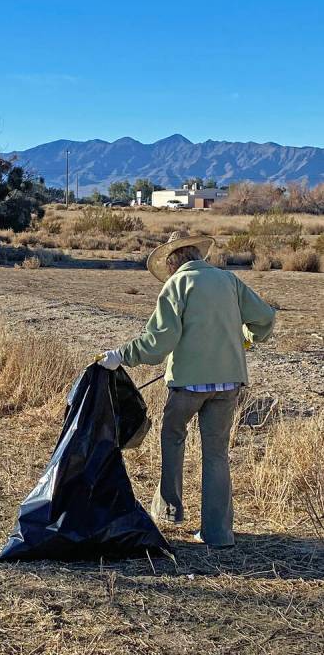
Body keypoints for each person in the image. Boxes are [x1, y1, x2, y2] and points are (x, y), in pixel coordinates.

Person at [98, 230, 275, 548]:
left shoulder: (177, 285)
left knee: (172, 436)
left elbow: (158, 343)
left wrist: (121, 356)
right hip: (229, 384)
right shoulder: (228, 281)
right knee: (217, 455)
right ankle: (218, 534)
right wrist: (248, 338)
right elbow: (265, 318)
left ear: (173, 260)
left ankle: (169, 511)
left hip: (188, 386)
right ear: (196, 254)